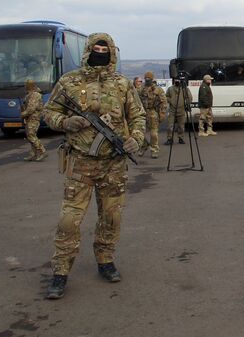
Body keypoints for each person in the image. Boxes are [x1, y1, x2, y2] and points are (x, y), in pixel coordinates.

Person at [43, 33, 146, 299]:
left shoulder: (122, 83)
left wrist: (136, 138)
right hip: (80, 163)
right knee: (69, 220)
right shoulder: (69, 81)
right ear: (88, 50)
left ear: (112, 52)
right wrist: (66, 123)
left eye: (105, 48)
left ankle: (105, 260)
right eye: (96, 47)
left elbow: (137, 116)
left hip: (114, 164)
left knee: (111, 217)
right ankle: (60, 271)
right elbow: (49, 112)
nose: (100, 51)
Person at [137, 71, 167, 158]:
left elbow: (164, 102)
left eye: (149, 78)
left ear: (152, 79)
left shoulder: (158, 90)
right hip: (142, 112)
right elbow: (136, 101)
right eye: (146, 78)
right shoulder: (141, 89)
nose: (147, 80)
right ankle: (144, 145)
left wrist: (162, 113)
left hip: (153, 112)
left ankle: (154, 149)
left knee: (153, 133)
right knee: (140, 132)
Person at [21, 79, 47, 161]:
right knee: (30, 136)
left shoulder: (35, 95)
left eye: (27, 84)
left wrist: (23, 114)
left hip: (34, 118)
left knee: (31, 135)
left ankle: (42, 150)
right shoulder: (29, 94)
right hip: (30, 118)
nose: (25, 86)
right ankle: (33, 154)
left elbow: (31, 109)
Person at [164, 78, 192, 145]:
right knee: (170, 126)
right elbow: (166, 96)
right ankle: (169, 139)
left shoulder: (184, 89)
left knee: (181, 126)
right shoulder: (170, 89)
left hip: (181, 110)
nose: (177, 81)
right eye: (176, 80)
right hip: (172, 111)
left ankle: (180, 138)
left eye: (178, 80)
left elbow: (189, 97)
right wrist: (171, 100)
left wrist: (187, 104)